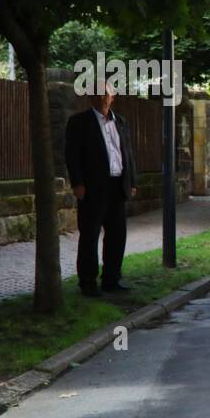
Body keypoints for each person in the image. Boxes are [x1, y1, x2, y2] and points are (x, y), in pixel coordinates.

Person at [63, 84, 138, 297]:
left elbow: (127, 153)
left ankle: (111, 279)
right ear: (90, 97)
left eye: (106, 93)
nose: (102, 97)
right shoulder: (79, 122)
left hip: (117, 186)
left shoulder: (121, 122)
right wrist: (77, 183)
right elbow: (72, 155)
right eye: (97, 93)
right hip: (92, 188)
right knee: (90, 235)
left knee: (117, 235)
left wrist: (132, 181)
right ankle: (87, 282)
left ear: (112, 96)